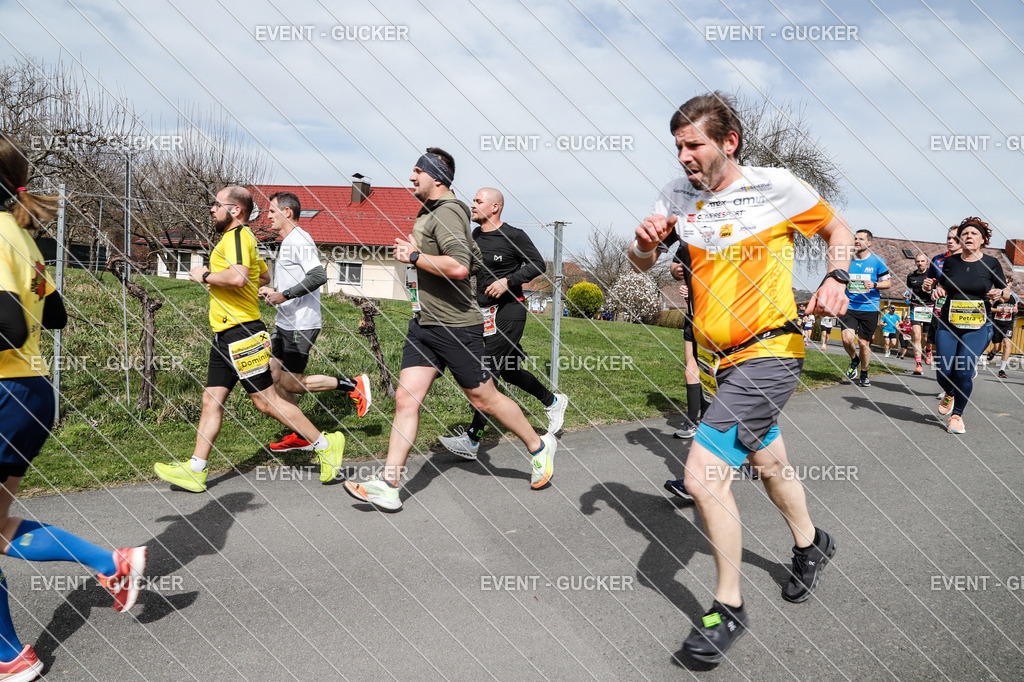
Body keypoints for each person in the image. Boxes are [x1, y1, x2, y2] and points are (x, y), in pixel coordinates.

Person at [628, 92, 853, 663]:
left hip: (772, 350)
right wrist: (644, 244)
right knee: (768, 463)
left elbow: (838, 229)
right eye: (677, 146)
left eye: (694, 144)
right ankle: (811, 543)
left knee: (703, 477)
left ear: (729, 143)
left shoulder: (775, 186)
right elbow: (641, 264)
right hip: (720, 361)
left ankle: (728, 607)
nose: (683, 156)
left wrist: (836, 277)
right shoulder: (677, 195)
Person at [0, 135, 147, 680]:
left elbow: (10, 327)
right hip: (31, 395)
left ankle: (11, 655)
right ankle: (112, 564)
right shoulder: (21, 235)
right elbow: (55, 316)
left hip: (7, 390)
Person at [343, 149, 556, 511]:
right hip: (425, 323)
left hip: (457, 326)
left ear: (436, 177)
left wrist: (413, 257)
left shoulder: (450, 211)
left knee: (484, 398)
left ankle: (538, 446)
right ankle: (389, 485)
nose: (411, 178)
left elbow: (459, 266)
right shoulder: (429, 212)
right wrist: (415, 254)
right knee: (405, 399)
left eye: (416, 172)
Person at [154, 186, 345, 492]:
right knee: (211, 400)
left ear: (235, 210)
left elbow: (241, 277)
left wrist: (204, 275)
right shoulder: (233, 241)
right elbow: (262, 278)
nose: (211, 210)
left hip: (242, 333)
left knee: (266, 402)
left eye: (217, 205)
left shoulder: (239, 237)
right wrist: (220, 285)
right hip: (224, 333)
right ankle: (195, 470)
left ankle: (325, 445)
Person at [438, 187, 567, 458]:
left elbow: (538, 264)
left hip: (510, 311)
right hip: (483, 314)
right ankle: (553, 402)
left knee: (487, 373)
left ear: (495, 207)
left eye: (478, 201)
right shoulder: (474, 236)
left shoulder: (514, 235)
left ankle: (473, 440)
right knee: (508, 371)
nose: (472, 205)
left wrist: (508, 281)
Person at [256, 190, 372, 452]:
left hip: (301, 323)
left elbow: (318, 276)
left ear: (287, 212)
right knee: (275, 375)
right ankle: (301, 433)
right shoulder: (288, 241)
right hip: (285, 322)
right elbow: (293, 280)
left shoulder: (299, 240)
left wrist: (283, 295)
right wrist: (273, 291)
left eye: (271, 211)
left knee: (289, 383)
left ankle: (352, 385)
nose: (267, 217)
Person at [923, 217, 1012, 434]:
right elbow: (942, 287)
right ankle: (951, 393)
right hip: (948, 324)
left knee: (963, 370)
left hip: (978, 326)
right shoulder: (951, 262)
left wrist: (1000, 293)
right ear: (960, 239)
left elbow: (1007, 294)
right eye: (965, 234)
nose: (968, 236)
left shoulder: (991, 263)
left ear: (983, 239)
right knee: (943, 372)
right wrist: (937, 290)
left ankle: (957, 416)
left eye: (974, 234)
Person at [839, 229, 891, 386]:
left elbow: (888, 283)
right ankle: (854, 360)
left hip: (870, 308)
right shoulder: (847, 260)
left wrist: (874, 284)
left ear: (869, 243)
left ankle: (864, 373)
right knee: (846, 338)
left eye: (861, 239)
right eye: (855, 238)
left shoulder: (877, 261)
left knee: (863, 344)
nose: (857, 241)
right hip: (850, 306)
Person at [924, 227, 964, 368]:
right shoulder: (938, 259)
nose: (951, 241)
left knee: (960, 350)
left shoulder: (971, 260)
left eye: (955, 239)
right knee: (944, 351)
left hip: (963, 310)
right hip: (941, 311)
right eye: (949, 238)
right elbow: (927, 287)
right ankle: (949, 386)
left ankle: (964, 371)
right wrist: (928, 286)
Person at [905, 253, 932, 374]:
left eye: (922, 261)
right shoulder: (911, 276)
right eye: (918, 261)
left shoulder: (933, 275)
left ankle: (929, 349)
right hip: (915, 307)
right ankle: (918, 365)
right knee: (916, 336)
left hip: (929, 308)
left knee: (927, 337)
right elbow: (908, 290)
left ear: (927, 262)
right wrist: (906, 295)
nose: (920, 263)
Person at [988, 296, 1018, 379]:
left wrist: (1015, 311)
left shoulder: (1013, 297)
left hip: (1008, 325)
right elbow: (987, 308)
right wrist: (999, 310)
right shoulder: (995, 297)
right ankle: (993, 352)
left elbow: (1016, 309)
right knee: (997, 348)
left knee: (1007, 345)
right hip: (997, 324)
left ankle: (1002, 370)